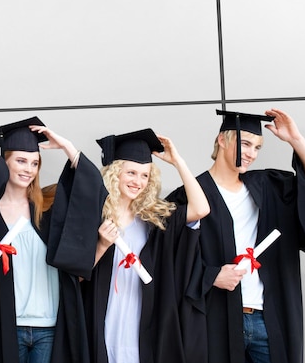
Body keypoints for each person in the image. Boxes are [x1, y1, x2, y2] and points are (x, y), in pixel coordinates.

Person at [166, 108, 305, 363]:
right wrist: (211, 275)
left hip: (266, 317)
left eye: (257, 147)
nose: (251, 154)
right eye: (245, 143)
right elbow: (169, 259)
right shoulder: (188, 196)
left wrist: (295, 139)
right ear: (222, 140)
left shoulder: (269, 187)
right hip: (216, 319)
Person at [0, 116, 103, 363]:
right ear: (4, 162)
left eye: (34, 163)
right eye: (21, 160)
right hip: (6, 325)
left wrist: (67, 146)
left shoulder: (48, 208)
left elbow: (92, 192)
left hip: (48, 328)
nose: (28, 169)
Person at [82, 128, 210, 363]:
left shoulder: (153, 219)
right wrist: (101, 244)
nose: (138, 182)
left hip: (142, 314)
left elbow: (201, 208)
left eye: (145, 175)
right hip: (105, 312)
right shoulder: (93, 216)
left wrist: (177, 161)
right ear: (115, 173)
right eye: (131, 172)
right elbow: (76, 278)